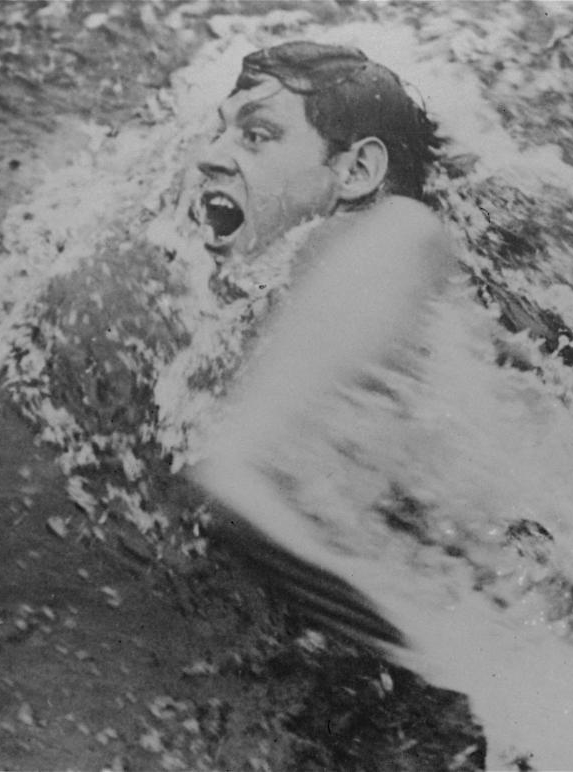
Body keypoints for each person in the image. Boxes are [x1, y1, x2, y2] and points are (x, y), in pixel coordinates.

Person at [186, 41, 455, 647]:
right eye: (218, 132)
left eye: (256, 136)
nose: (211, 156)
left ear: (356, 171)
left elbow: (237, 482)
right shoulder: (280, 298)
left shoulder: (394, 231)